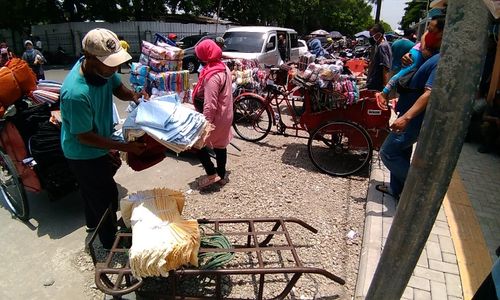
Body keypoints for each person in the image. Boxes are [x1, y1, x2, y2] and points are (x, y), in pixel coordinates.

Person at [60, 28, 147, 249]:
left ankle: (93, 225)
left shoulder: (103, 70)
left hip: (99, 142)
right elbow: (85, 137)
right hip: (82, 152)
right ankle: (110, 242)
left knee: (94, 191)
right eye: (110, 64)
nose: (115, 68)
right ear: (89, 58)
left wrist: (136, 97)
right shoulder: (76, 93)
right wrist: (125, 146)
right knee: (106, 195)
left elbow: (119, 89)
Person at [376, 15, 445, 201]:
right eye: (427, 29)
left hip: (413, 119)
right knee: (402, 152)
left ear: (444, 34)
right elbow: (421, 45)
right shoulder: (428, 54)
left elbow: (429, 93)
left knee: (388, 153)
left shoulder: (440, 60)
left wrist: (406, 118)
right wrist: (411, 54)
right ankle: (397, 191)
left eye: (432, 30)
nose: (427, 34)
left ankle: (418, 190)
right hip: (406, 112)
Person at [192, 39, 233, 189]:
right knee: (220, 145)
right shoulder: (223, 68)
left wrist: (205, 125)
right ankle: (221, 175)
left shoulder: (212, 76)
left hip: (216, 117)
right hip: (226, 114)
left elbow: (210, 104)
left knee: (198, 143)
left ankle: (211, 174)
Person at [376, 30, 440, 108]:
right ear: (411, 35)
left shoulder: (396, 43)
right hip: (407, 68)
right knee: (402, 84)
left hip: (394, 68)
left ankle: (388, 99)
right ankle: (384, 94)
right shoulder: (412, 45)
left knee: (396, 85)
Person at [365, 23, 392, 91]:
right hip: (377, 82)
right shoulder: (381, 45)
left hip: (377, 83)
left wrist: (386, 89)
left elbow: (385, 67)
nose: (370, 37)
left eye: (372, 35)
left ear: (379, 34)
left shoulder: (382, 46)